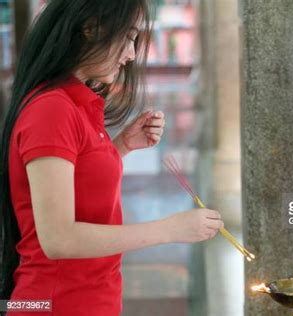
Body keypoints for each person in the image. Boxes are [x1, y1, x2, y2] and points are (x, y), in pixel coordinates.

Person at [0, 1, 223, 315]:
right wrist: (171, 230)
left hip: (86, 299)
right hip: (58, 302)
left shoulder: (74, 103)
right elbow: (59, 238)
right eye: (129, 37)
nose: (131, 54)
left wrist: (121, 147)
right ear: (91, 28)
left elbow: (76, 182)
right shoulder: (52, 109)